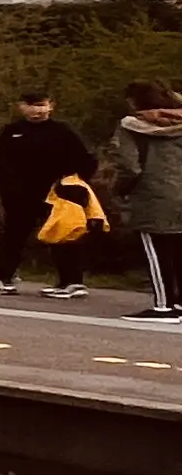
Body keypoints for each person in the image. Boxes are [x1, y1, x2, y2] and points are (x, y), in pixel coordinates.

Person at [0, 89, 101, 293]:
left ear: (51, 106)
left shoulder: (62, 131)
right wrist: (6, 190)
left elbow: (87, 159)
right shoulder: (12, 131)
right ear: (21, 107)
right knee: (15, 235)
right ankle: (5, 276)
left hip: (57, 194)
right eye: (31, 106)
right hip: (20, 194)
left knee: (64, 234)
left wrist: (75, 183)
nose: (36, 111)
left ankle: (72, 281)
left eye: (41, 105)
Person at [102, 81, 182, 319]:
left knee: (156, 251)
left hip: (153, 195)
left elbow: (130, 167)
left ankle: (163, 304)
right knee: (179, 250)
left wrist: (119, 190)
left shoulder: (131, 127)